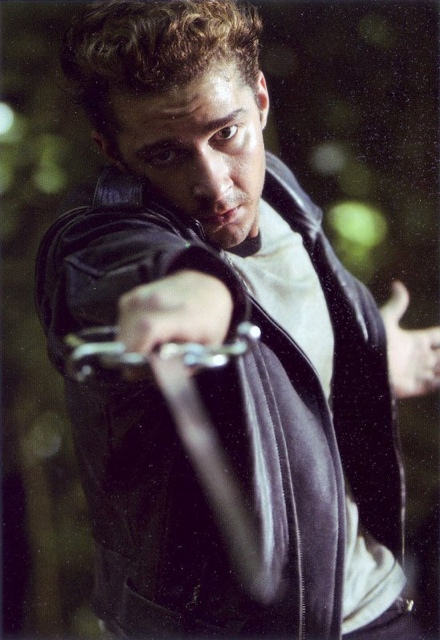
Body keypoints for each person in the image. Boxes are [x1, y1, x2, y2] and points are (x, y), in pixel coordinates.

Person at [35, 1, 440, 637]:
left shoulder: (280, 195)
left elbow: (284, 360)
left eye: (225, 134)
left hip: (376, 605)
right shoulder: (100, 243)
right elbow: (143, 273)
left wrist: (368, 354)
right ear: (111, 151)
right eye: (165, 154)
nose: (215, 185)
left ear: (261, 100)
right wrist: (191, 298)